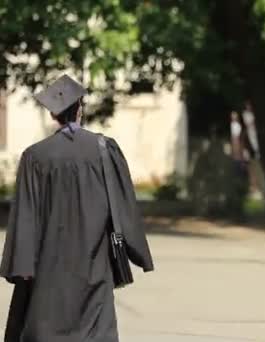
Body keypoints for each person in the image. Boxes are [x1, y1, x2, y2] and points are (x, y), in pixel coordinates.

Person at [0, 75, 154, 342]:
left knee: (47, 328)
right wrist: (138, 252)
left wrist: (21, 266)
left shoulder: (35, 157)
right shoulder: (104, 150)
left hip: (48, 269)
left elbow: (25, 217)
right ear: (80, 107)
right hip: (93, 266)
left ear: (52, 114)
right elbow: (124, 204)